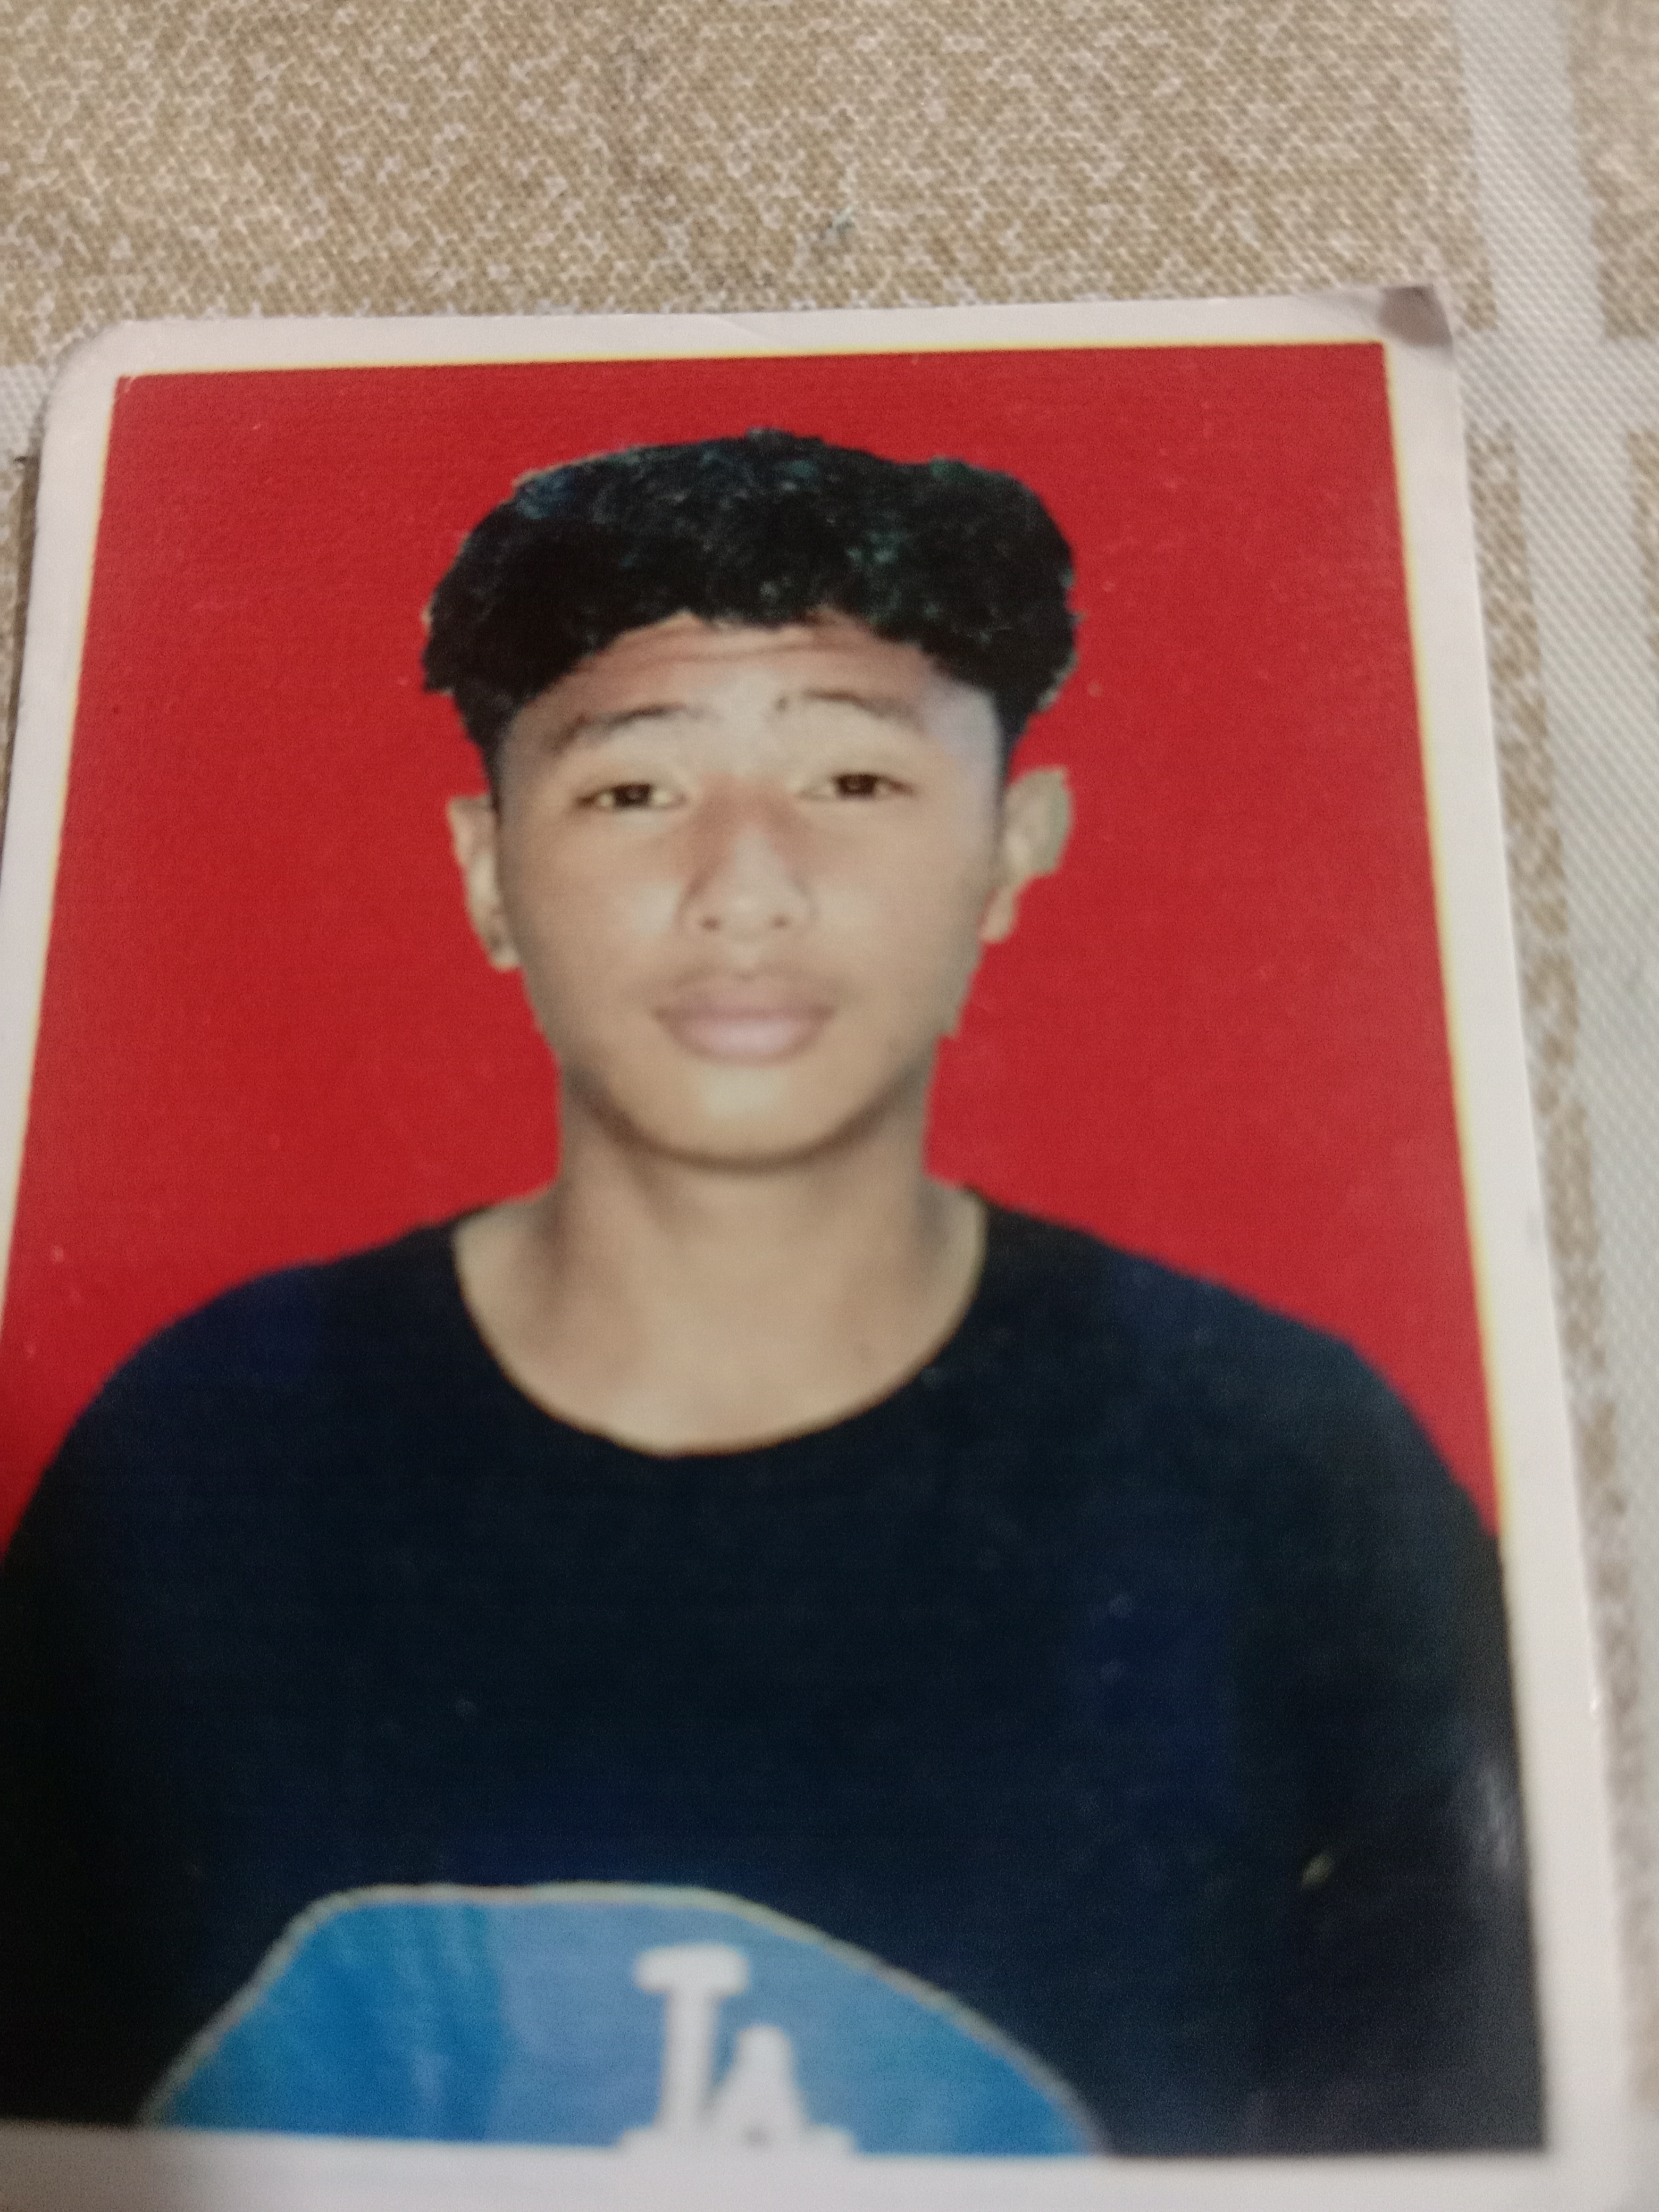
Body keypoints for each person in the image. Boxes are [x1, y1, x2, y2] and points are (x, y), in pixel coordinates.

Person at [0, 431, 1539, 2156]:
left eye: (854, 781)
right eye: (633, 792)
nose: (744, 889)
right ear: (488, 871)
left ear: (1015, 843)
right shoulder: (203, 1455)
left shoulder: (1285, 1469)